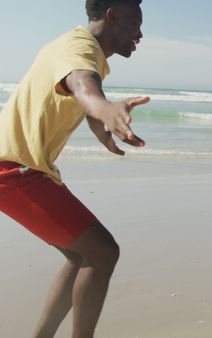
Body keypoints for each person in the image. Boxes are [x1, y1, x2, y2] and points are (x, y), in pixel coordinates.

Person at [0, 1, 147, 337]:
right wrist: (106, 108)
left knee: (81, 255)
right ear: (112, 15)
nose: (140, 34)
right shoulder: (79, 49)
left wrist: (102, 126)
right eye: (135, 22)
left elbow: (80, 95)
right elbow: (83, 87)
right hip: (14, 171)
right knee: (104, 252)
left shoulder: (79, 48)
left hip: (23, 169)